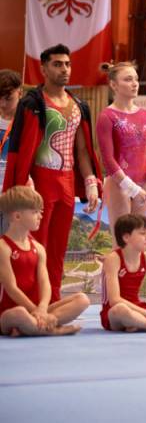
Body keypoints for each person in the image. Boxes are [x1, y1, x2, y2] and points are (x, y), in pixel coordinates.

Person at [4, 44, 101, 302]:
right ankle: (28, 300)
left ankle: (53, 300)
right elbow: (22, 147)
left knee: (58, 249)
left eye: (67, 64)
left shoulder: (79, 105)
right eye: (57, 64)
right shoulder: (32, 103)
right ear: (44, 69)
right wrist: (25, 180)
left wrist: (90, 182)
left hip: (66, 182)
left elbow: (83, 150)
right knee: (35, 246)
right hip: (40, 181)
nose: (64, 69)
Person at [0, 186, 89, 336]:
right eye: (35, 212)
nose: (40, 216)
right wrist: (35, 310)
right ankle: (52, 330)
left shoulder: (38, 248)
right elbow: (11, 288)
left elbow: (45, 283)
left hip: (38, 310)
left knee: (82, 299)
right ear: (17, 216)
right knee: (19, 313)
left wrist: (41, 309)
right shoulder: (3, 247)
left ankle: (34, 326)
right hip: (8, 313)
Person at [97, 62, 146, 247]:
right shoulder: (107, 116)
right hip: (119, 184)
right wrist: (132, 188)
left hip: (143, 183)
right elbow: (108, 160)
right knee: (122, 243)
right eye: (128, 79)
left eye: (136, 79)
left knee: (138, 242)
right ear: (114, 85)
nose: (134, 84)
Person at [0, 69, 22, 229]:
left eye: (8, 99)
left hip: (15, 195)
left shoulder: (29, 122)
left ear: (20, 92)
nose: (3, 104)